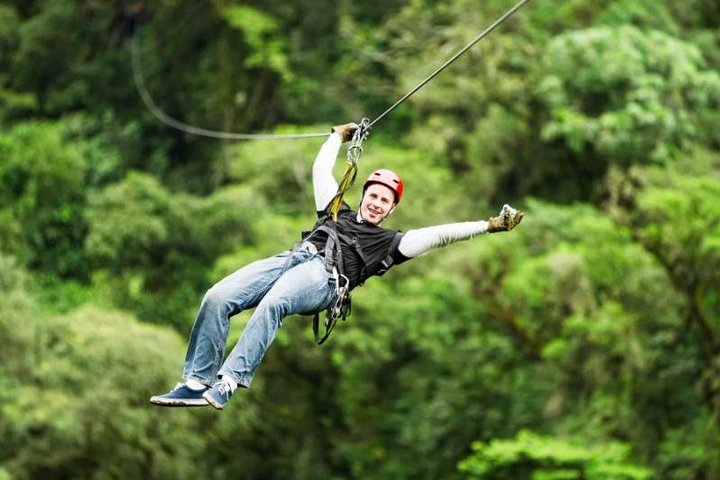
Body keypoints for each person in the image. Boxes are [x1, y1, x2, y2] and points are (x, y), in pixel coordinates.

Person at [150, 122, 523, 410]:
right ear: (364, 196)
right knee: (218, 296)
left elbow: (441, 234)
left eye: (385, 202)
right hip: (292, 258)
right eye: (374, 196)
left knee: (274, 304)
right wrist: (336, 137)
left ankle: (228, 381)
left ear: (392, 210)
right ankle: (197, 382)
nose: (377, 204)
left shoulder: (391, 243)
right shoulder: (334, 210)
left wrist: (488, 225)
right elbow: (320, 171)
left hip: (325, 279)